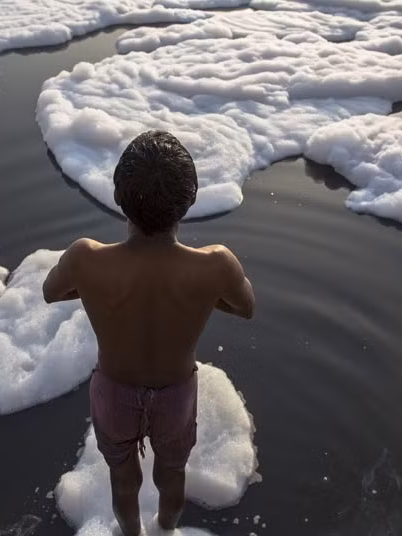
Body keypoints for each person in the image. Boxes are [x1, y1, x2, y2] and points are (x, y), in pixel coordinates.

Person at [43, 130, 255, 535]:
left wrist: (93, 287)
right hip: (175, 394)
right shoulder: (215, 266)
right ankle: (167, 531)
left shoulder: (85, 258)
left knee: (123, 478)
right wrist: (203, 295)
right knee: (172, 473)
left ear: (118, 196)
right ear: (190, 199)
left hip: (114, 391)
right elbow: (245, 307)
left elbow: (51, 291)